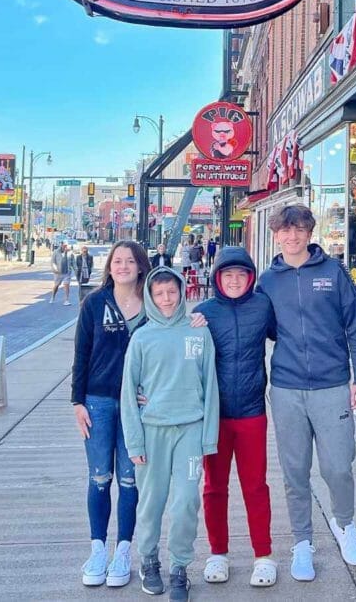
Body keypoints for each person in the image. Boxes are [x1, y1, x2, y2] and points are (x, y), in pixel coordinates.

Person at [258, 203, 356, 581]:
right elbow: (259, 327)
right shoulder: (267, 281)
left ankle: (345, 524)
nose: (292, 237)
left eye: (299, 230)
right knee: (294, 472)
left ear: (309, 232)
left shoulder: (334, 272)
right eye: (285, 231)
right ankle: (302, 542)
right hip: (287, 388)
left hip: (333, 385)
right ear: (276, 235)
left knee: (338, 466)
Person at [120, 268, 219, 601]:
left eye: (172, 292)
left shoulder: (198, 332)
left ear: (181, 292)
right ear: (150, 296)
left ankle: (179, 567)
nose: (166, 299)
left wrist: (208, 437)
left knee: (186, 501)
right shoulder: (142, 337)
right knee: (151, 504)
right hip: (152, 432)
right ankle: (149, 560)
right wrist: (134, 440)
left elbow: (211, 386)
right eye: (159, 294)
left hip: (190, 429)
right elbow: (127, 392)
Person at [72, 240, 152, 589]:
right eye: (117, 261)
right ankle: (98, 549)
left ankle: (123, 550)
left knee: (130, 479)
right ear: (109, 266)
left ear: (140, 266)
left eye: (129, 261)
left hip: (138, 406)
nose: (123, 266)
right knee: (100, 477)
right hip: (99, 401)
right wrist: (77, 403)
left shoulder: (153, 304)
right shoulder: (94, 303)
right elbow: (81, 354)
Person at [197, 247, 277, 587]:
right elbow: (180, 357)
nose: (233, 280)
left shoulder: (262, 306)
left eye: (240, 275)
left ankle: (263, 556)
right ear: (217, 278)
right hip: (214, 416)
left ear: (250, 278)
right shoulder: (203, 312)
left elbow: (289, 334)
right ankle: (218, 554)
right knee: (214, 487)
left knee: (255, 486)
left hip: (251, 412)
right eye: (227, 275)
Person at [51, 241, 74, 305]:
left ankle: (66, 300)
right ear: (61, 245)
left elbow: (73, 262)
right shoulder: (56, 252)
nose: (65, 247)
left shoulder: (70, 253)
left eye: (66, 246)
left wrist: (76, 269)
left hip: (67, 272)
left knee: (66, 285)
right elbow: (53, 262)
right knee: (56, 285)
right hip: (58, 272)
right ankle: (53, 296)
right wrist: (55, 269)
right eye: (64, 245)